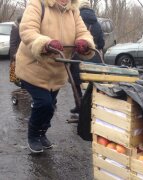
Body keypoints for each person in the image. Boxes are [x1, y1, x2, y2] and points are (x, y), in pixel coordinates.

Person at [15, 0, 95, 153]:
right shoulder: (38, 4)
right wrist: (45, 43)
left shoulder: (73, 11)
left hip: (57, 71)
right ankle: (33, 136)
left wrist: (84, 42)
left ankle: (42, 133)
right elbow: (27, 30)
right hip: (33, 68)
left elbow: (83, 32)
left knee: (51, 106)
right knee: (43, 103)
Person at [70, 0, 105, 114]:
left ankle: (79, 106)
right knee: (94, 84)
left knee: (76, 81)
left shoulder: (76, 20)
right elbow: (101, 43)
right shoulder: (97, 23)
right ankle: (92, 107)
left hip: (78, 57)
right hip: (95, 58)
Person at [9, 16, 22, 86]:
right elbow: (12, 43)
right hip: (16, 54)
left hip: (21, 54)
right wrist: (14, 54)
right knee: (16, 73)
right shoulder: (15, 29)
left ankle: (22, 84)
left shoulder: (20, 28)